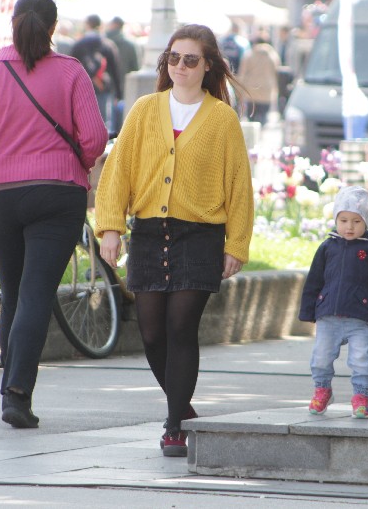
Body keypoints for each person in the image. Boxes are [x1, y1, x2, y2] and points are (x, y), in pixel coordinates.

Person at [0, 0, 108, 429]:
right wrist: (77, 162)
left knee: (14, 290)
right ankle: (16, 393)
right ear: (52, 29)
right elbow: (94, 136)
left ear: (12, 24)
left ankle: (10, 392)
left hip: (0, 197)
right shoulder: (71, 72)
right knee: (35, 293)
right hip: (56, 194)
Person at [94, 24, 254, 457]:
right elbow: (117, 172)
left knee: (181, 326)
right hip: (148, 233)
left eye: (190, 60)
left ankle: (173, 426)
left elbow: (239, 185)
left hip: (199, 236)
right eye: (174, 58)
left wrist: (236, 244)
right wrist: (111, 226)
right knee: (150, 333)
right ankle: (182, 405)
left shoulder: (222, 119)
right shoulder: (145, 110)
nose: (180, 66)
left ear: (208, 66)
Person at [298, 186, 368, 419]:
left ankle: (360, 396)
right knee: (321, 357)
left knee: (360, 359)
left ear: (366, 222)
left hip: (361, 317)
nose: (349, 226)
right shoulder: (327, 247)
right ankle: (322, 390)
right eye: (344, 220)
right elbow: (314, 280)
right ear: (336, 219)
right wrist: (309, 311)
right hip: (328, 315)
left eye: (356, 221)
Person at [71, 14, 124, 132]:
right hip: (104, 87)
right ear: (100, 26)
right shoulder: (108, 45)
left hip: (82, 88)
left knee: (84, 122)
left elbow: (71, 68)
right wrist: (119, 94)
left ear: (87, 25)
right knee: (105, 123)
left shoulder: (78, 45)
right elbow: (115, 70)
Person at [105, 16, 142, 133]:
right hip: (124, 86)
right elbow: (136, 67)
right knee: (122, 120)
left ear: (113, 25)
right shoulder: (131, 45)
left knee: (106, 118)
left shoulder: (104, 42)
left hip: (105, 85)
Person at [237, 33, 281, 126]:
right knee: (263, 118)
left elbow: (243, 73)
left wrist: (240, 90)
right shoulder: (272, 55)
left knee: (251, 119)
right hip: (266, 91)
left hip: (251, 91)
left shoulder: (249, 55)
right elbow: (277, 72)